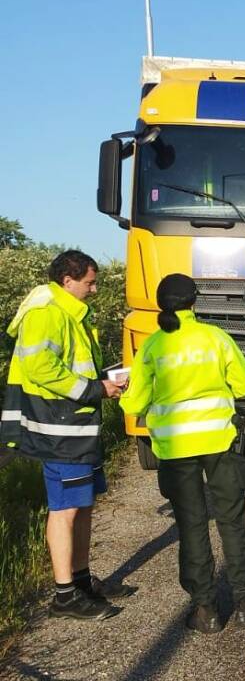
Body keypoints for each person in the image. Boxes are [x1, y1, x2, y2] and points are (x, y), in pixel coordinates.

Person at [120, 274, 245, 633]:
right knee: (232, 522)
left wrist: (124, 393)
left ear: (162, 304)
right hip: (220, 443)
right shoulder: (215, 338)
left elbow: (134, 402)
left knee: (191, 527)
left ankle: (205, 610)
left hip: (175, 449)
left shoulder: (154, 347)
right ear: (195, 302)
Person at [2, 250, 133, 620]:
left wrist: (103, 383)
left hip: (75, 427)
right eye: (90, 282)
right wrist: (95, 390)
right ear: (67, 281)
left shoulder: (68, 311)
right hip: (59, 429)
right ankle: (64, 596)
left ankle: (80, 580)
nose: (94, 289)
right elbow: (41, 367)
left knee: (84, 503)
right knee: (66, 509)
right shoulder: (47, 312)